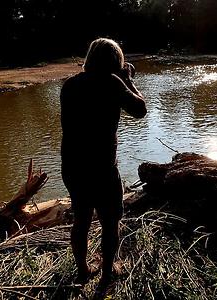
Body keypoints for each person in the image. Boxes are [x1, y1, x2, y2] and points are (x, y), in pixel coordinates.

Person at [60, 37, 147, 287]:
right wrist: (128, 79)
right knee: (110, 222)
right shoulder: (113, 83)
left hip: (73, 166)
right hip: (103, 168)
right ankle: (108, 273)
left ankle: (83, 270)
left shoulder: (69, 85)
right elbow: (140, 110)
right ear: (114, 62)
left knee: (81, 220)